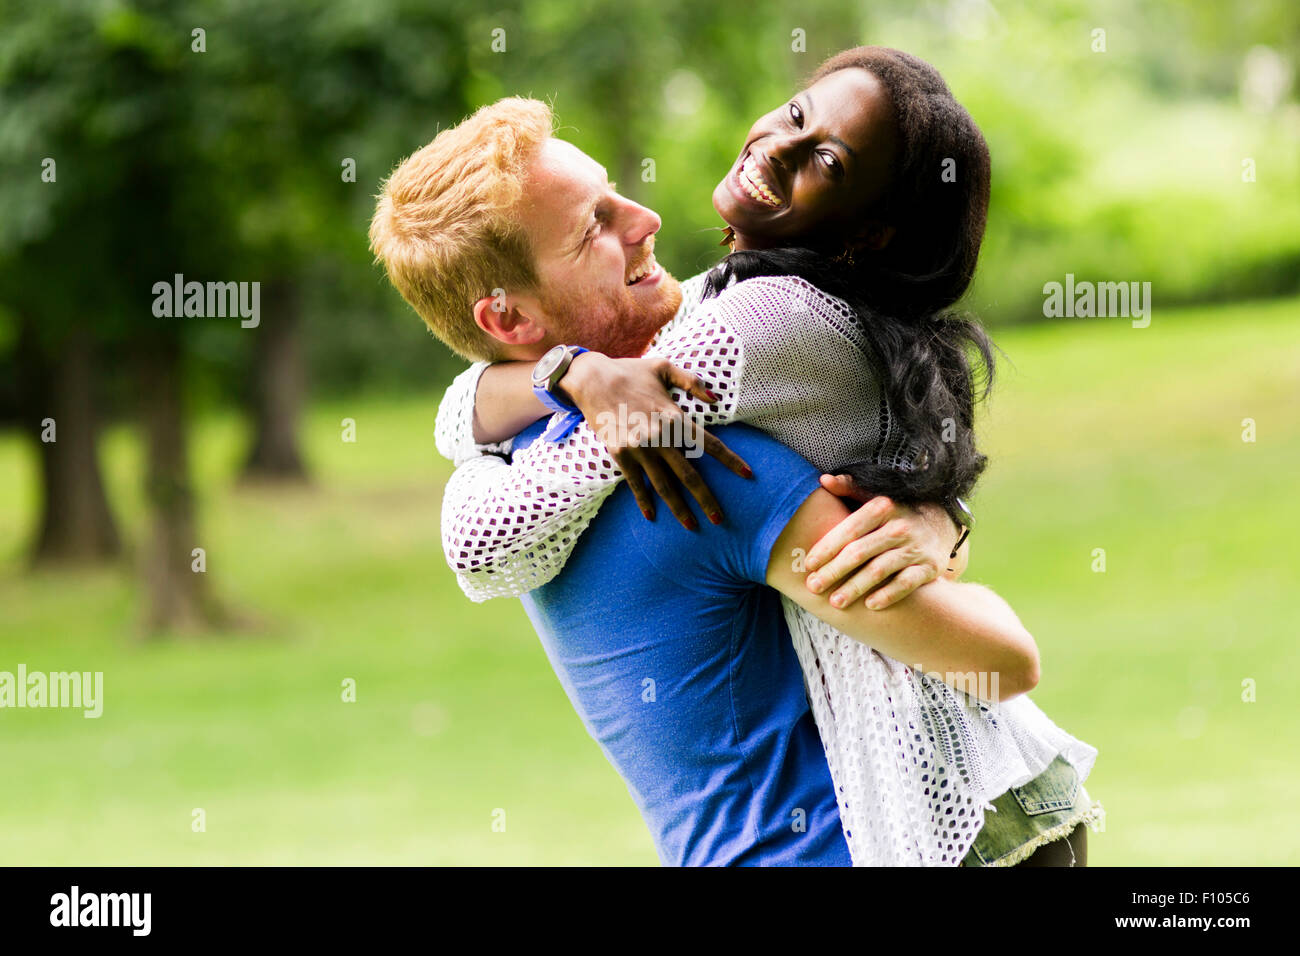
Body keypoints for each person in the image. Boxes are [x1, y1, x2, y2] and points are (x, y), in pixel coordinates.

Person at [371, 52, 1101, 865]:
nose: (645, 218)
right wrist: (568, 372)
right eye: (594, 228)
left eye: (616, 192)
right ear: (506, 321)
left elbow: (468, 481)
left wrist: (938, 520)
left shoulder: (627, 422)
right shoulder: (688, 451)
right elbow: (1002, 661)